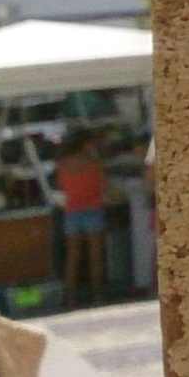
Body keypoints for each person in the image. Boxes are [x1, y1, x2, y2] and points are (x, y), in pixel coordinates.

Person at [54, 129, 108, 307]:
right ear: (85, 145)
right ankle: (98, 295)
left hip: (72, 211)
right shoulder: (93, 162)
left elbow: (61, 186)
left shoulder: (63, 163)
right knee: (95, 255)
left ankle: (70, 296)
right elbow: (102, 185)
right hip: (92, 209)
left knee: (73, 257)